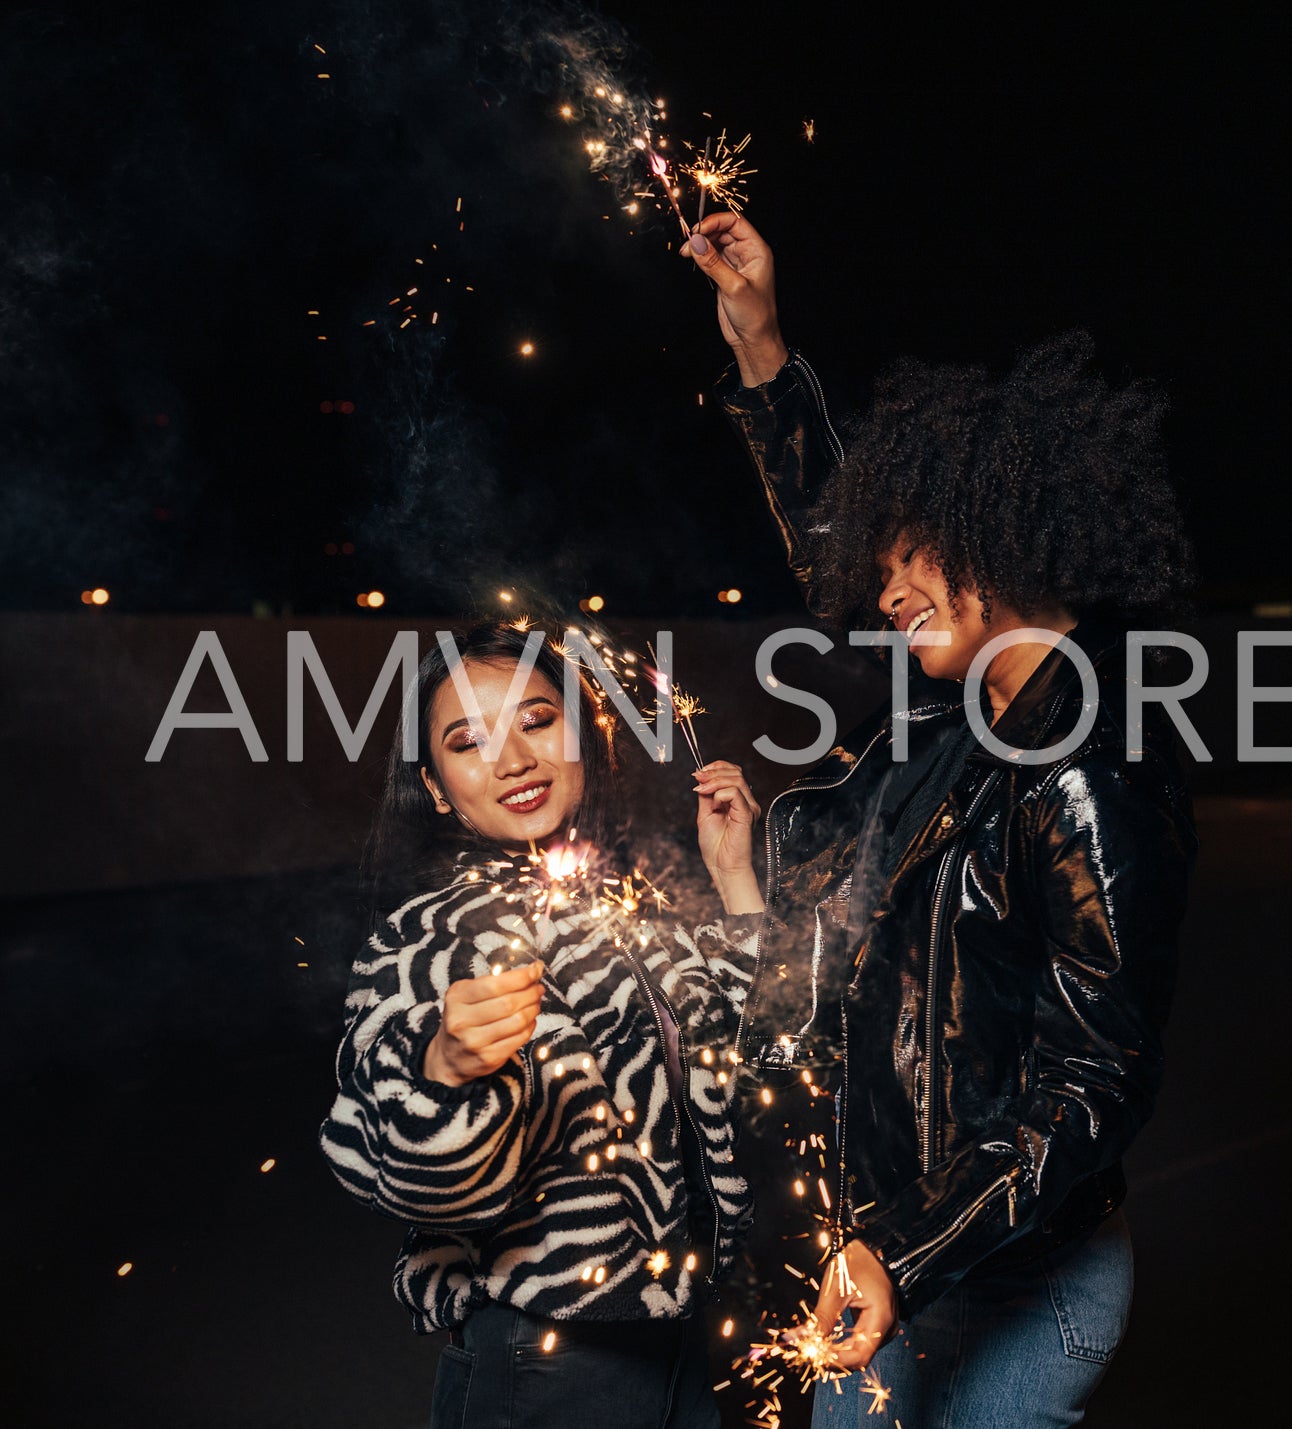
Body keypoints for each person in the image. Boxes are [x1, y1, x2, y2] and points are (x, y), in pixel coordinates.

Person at [680, 214, 1198, 1426]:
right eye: (884, 560)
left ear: (1003, 538)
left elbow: (1093, 1074)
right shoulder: (957, 717)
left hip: (1014, 1277)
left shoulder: (1087, 761)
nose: (886, 586)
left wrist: (903, 1258)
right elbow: (833, 532)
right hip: (886, 1252)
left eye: (917, 554)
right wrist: (758, 342)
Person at [318, 620, 764, 1429]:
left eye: (536, 719)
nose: (515, 758)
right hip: (547, 1360)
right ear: (436, 782)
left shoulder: (630, 906)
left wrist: (734, 877)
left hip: (689, 1340)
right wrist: (443, 1070)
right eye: (469, 740)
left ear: (582, 736)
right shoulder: (427, 938)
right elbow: (397, 1177)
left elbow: (750, 1060)